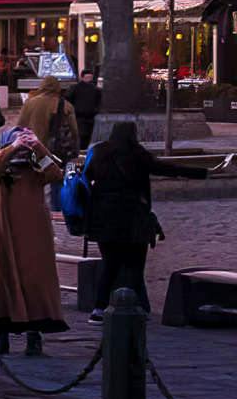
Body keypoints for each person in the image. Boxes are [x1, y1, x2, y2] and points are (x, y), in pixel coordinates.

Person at [84, 122, 224, 314]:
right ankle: (137, 308)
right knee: (135, 265)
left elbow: (87, 177)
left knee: (110, 265)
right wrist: (204, 172)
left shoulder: (99, 152)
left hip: (103, 217)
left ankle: (99, 309)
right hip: (133, 216)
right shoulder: (137, 154)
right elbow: (168, 169)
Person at [0, 130, 70, 354]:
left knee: (35, 279)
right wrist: (11, 148)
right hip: (3, 227)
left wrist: (38, 146)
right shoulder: (1, 165)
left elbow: (55, 174)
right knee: (2, 278)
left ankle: (34, 335)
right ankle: (2, 334)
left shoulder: (36, 168)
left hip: (33, 230)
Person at [16, 76, 78, 162]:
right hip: (54, 152)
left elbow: (19, 127)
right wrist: (76, 151)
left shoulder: (29, 103)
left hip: (32, 149)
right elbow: (74, 132)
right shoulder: (66, 105)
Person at [67, 73, 102, 150]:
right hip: (85, 118)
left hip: (82, 117)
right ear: (82, 77)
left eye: (90, 78)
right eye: (88, 77)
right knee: (85, 138)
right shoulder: (95, 89)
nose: (89, 79)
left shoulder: (75, 88)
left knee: (82, 137)